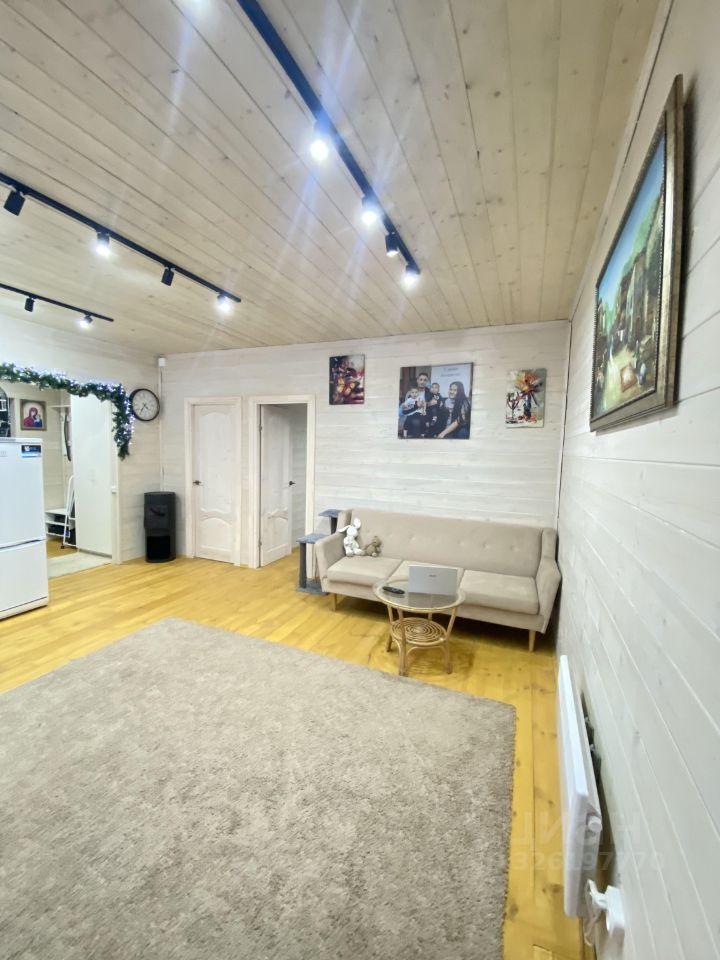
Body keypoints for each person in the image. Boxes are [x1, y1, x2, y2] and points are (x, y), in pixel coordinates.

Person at [400, 371, 433, 438]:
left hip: (424, 414)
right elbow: (405, 410)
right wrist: (416, 406)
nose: (422, 382)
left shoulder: (430, 393)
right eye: (421, 379)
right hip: (411, 414)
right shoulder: (410, 393)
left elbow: (432, 407)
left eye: (425, 380)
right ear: (417, 380)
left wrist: (427, 405)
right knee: (416, 421)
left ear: (427, 382)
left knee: (418, 421)